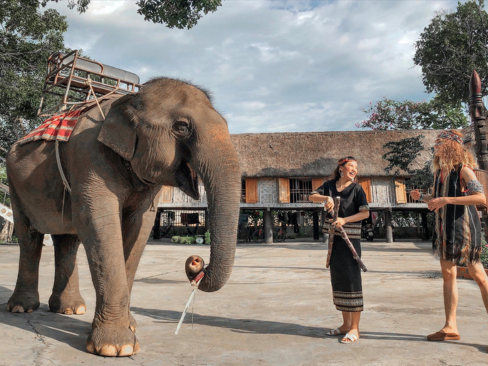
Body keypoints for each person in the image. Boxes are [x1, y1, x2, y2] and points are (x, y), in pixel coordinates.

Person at [411, 130, 488, 342]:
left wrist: (446, 200)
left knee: (480, 278)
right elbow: (438, 199)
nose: (435, 145)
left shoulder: (464, 170)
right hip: (445, 231)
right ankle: (450, 326)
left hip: (465, 229)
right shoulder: (439, 173)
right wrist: (422, 197)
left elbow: (481, 197)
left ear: (450, 145)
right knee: (448, 275)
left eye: (439, 142)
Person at [310, 156, 369, 344]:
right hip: (335, 241)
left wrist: (344, 219)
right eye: (351, 166)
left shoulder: (357, 189)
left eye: (356, 167)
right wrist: (326, 198)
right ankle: (345, 325)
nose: (354, 170)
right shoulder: (329, 185)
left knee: (352, 281)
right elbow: (312, 196)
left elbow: (365, 212)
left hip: (350, 240)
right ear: (341, 168)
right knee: (339, 280)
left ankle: (355, 328)